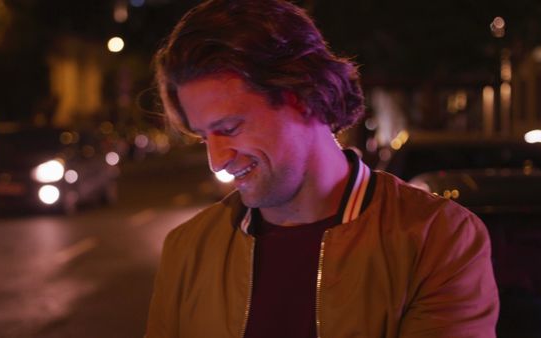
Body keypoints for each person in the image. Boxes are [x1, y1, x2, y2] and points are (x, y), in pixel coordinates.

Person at [147, 1, 499, 337]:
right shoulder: (188, 250)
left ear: (300, 95)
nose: (217, 160)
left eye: (230, 128)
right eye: (204, 137)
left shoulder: (437, 238)